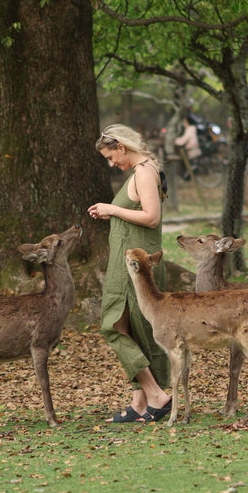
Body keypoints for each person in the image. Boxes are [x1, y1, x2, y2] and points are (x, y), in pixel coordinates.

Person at [87, 124, 172, 423]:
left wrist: (112, 209)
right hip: (130, 261)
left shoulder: (144, 172)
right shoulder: (144, 171)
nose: (112, 164)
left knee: (112, 326)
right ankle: (140, 402)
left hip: (134, 264)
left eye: (111, 157)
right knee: (132, 328)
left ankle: (158, 395)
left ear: (122, 147)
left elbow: (151, 217)